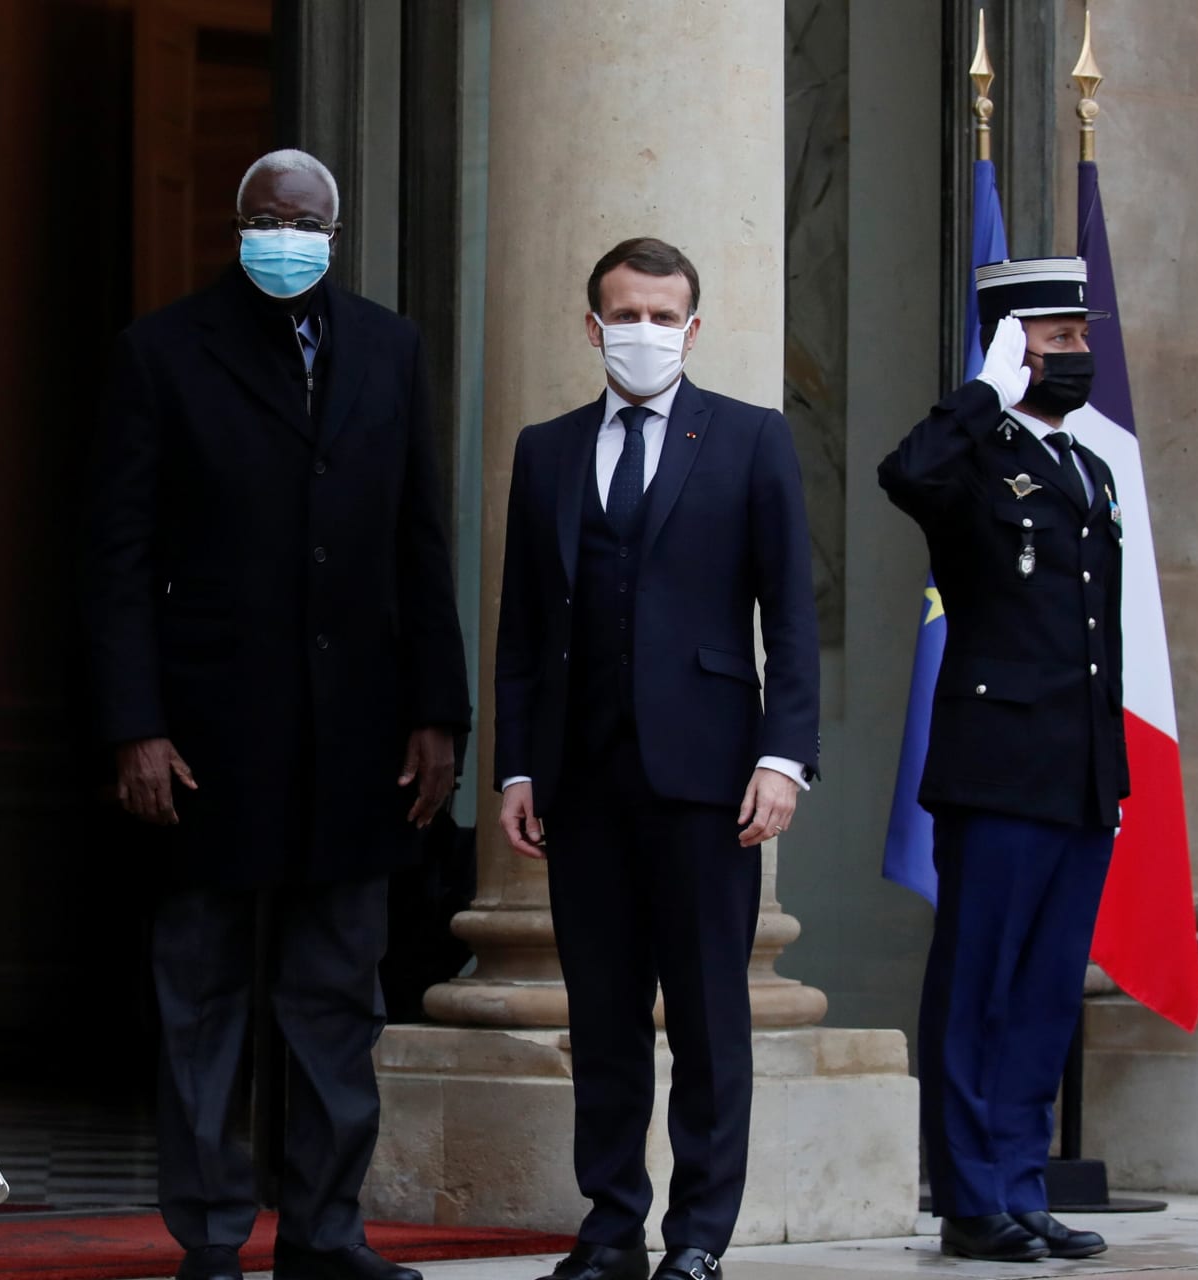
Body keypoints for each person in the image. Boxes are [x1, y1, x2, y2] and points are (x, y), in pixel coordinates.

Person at [83, 149, 468, 1280]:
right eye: (263, 216)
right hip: (204, 732)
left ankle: (325, 1228)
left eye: (301, 218)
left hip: (357, 734)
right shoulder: (161, 351)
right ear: (237, 225)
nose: (281, 232)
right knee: (201, 990)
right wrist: (133, 724)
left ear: (334, 232)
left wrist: (438, 711)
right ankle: (207, 1232)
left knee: (336, 993)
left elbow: (421, 541)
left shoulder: (390, 347)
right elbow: (116, 558)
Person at [493, 237, 821, 1280]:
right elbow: (520, 626)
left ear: (692, 324)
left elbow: (794, 619)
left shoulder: (750, 439)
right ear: (593, 327)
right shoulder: (545, 449)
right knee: (601, 1014)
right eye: (624, 313)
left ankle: (699, 1235)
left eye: (662, 313)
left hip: (710, 775)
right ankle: (608, 1226)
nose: (643, 330)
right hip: (583, 776)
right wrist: (515, 765)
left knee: (713, 1014)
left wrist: (785, 755)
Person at [876, 256, 1126, 1263]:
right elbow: (906, 474)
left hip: (1076, 768)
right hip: (997, 764)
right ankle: (970, 1193)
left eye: (1079, 337)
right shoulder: (971, 457)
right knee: (979, 981)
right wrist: (984, 391)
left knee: (1047, 986)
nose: (1078, 353)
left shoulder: (1087, 468)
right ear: (1012, 344)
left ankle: (1022, 1180)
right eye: (1057, 338)